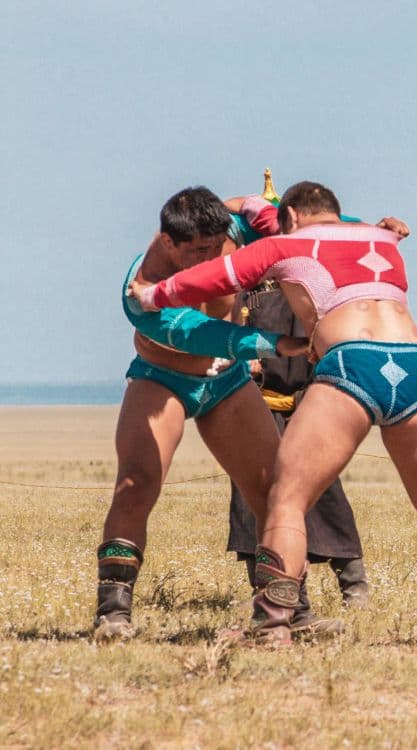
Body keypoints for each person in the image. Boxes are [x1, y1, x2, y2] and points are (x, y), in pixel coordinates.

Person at [131, 181, 417, 645]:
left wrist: (148, 297)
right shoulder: (383, 238)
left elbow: (215, 277)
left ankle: (273, 626)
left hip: (352, 360)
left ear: (295, 215)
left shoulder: (289, 243)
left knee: (286, 499)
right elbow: (292, 218)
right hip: (415, 363)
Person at [95, 187, 308, 642]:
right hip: (162, 377)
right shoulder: (143, 288)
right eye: (198, 252)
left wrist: (365, 228)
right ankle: (113, 614)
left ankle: (290, 610)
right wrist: (269, 345)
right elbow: (198, 334)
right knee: (137, 483)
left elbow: (303, 222)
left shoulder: (230, 229)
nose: (210, 261)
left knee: (274, 490)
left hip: (227, 381)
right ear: (169, 242)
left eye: (216, 250)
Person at [227, 269, 370, 608]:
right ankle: (264, 587)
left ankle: (354, 583)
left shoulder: (304, 289)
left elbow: (323, 343)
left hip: (307, 401)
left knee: (324, 488)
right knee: (251, 491)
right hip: (256, 405)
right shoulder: (240, 293)